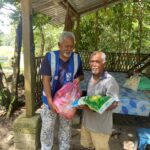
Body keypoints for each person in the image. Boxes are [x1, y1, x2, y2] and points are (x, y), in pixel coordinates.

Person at [40, 31, 84, 150]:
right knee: (47, 128)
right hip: (50, 100)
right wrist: (50, 101)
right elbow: (45, 80)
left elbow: (81, 75)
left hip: (67, 102)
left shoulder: (76, 58)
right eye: (66, 46)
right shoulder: (50, 57)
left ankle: (64, 147)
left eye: (71, 46)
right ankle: (46, 148)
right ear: (59, 45)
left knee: (65, 127)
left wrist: (78, 79)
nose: (69, 49)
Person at [80, 51, 119, 150]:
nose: (94, 64)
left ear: (104, 63)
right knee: (89, 146)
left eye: (97, 61)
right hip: (87, 123)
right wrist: (80, 97)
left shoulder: (110, 81)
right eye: (91, 61)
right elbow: (91, 96)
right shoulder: (91, 78)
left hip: (100, 128)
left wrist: (91, 107)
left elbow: (114, 103)